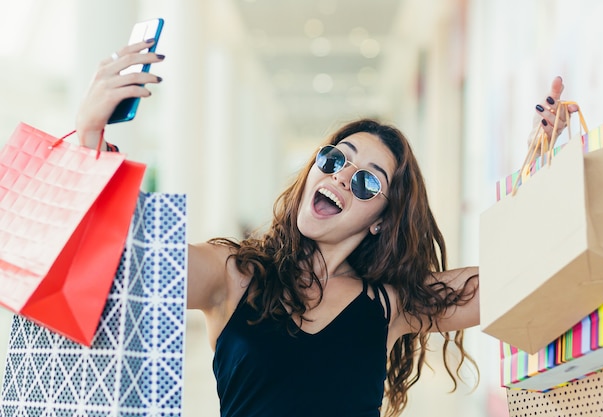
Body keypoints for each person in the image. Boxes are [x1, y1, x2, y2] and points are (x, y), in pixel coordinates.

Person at [76, 40, 574, 417]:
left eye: (363, 179)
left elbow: (522, 276)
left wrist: (540, 168)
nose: (338, 174)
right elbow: (119, 265)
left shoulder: (392, 303)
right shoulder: (233, 274)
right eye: (334, 158)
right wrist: (88, 138)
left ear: (382, 220)